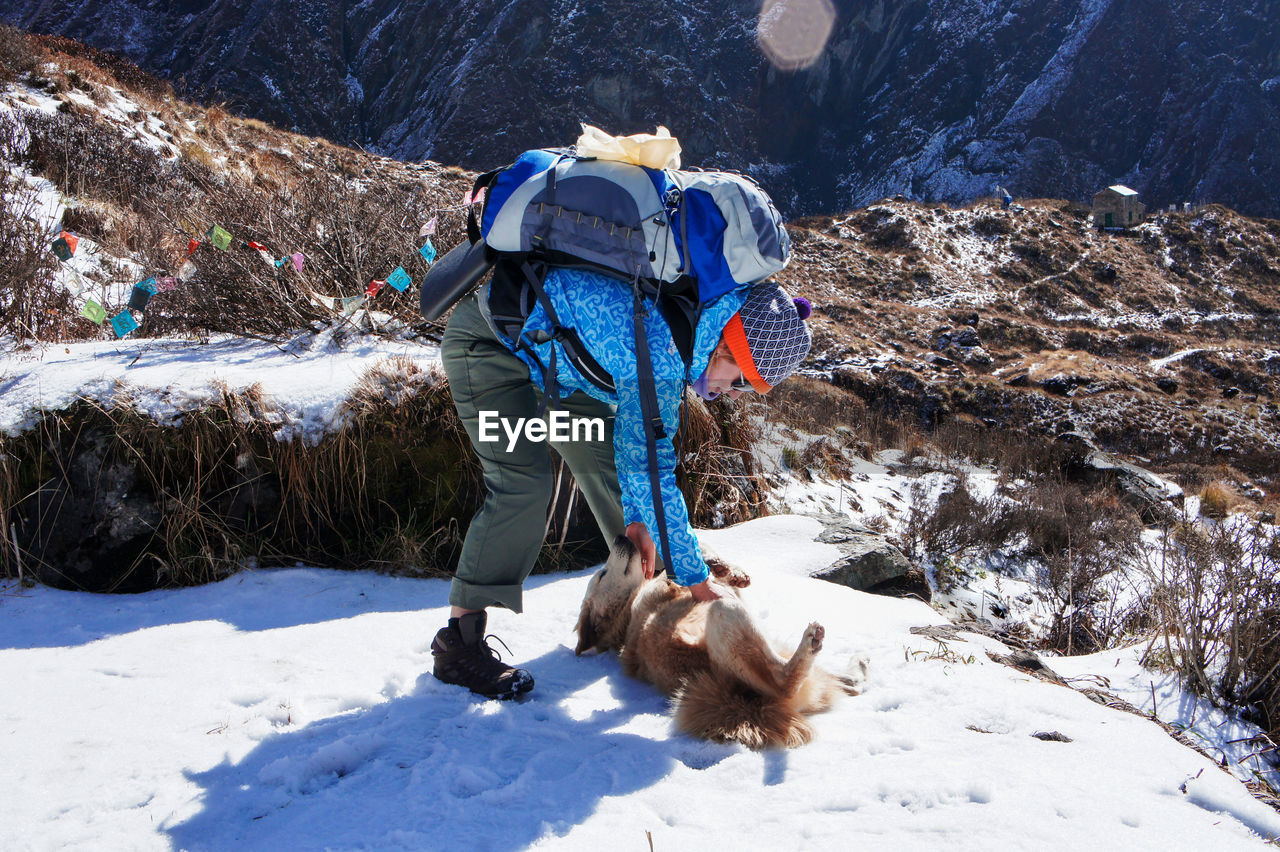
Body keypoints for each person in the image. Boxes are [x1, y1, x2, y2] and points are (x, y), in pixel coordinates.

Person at [431, 264, 813, 699]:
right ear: (730, 349)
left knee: (609, 470)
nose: (730, 394)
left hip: (556, 368)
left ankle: (660, 587)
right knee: (525, 485)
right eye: (742, 385)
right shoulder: (663, 347)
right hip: (492, 347)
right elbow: (653, 474)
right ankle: (457, 645)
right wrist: (702, 585)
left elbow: (638, 457)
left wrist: (636, 523)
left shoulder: (684, 335)